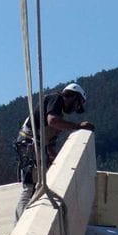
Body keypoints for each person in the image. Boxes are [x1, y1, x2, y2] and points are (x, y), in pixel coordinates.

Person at [14, 82, 94, 219]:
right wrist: (78, 126)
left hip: (36, 147)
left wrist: (59, 164)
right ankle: (20, 226)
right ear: (72, 96)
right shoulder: (55, 99)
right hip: (29, 145)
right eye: (77, 104)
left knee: (39, 187)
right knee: (29, 188)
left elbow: (49, 146)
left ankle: (30, 220)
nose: (76, 109)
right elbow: (52, 121)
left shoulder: (58, 115)